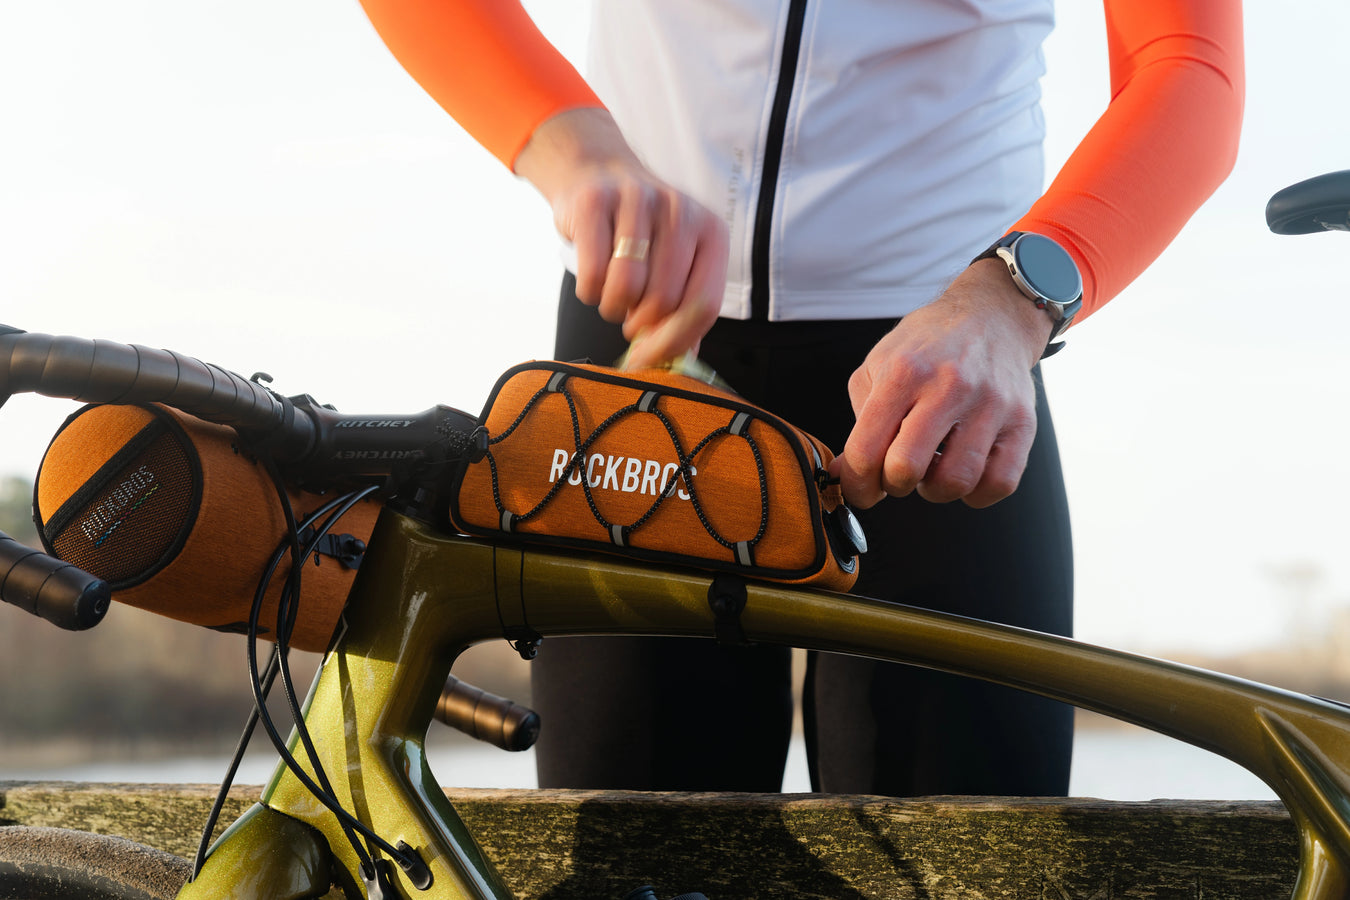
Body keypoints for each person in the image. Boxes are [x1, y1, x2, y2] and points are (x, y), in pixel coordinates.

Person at [357, 0, 1244, 796]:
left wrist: (1019, 296)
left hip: (949, 356)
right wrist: (572, 146)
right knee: (624, 858)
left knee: (972, 864)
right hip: (651, 335)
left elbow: (1187, 63)